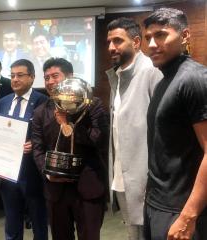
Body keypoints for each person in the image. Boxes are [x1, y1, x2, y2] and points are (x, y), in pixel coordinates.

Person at [143, 8, 207, 240]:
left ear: (185, 36)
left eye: (161, 35)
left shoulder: (195, 79)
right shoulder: (164, 81)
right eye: (148, 37)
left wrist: (188, 216)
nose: (151, 44)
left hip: (180, 209)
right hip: (157, 203)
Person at [32, 58, 108, 240]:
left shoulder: (93, 104)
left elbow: (100, 140)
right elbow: (37, 148)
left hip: (88, 187)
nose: (50, 81)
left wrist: (68, 122)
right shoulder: (41, 111)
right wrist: (48, 173)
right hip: (55, 190)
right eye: (46, 78)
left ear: (70, 77)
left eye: (55, 76)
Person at [105, 17, 163, 240]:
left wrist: (154, 180)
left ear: (137, 42)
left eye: (118, 40)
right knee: (133, 234)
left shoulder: (151, 72)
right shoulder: (117, 76)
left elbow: (162, 132)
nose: (111, 47)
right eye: (109, 42)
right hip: (122, 177)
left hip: (147, 181)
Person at [0, 59, 48, 240]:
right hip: (7, 172)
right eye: (12, 75)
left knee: (39, 222)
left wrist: (35, 144)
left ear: (32, 78)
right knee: (12, 222)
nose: (15, 79)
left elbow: (49, 134)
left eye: (20, 75)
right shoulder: (3, 102)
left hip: (32, 172)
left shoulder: (43, 101)